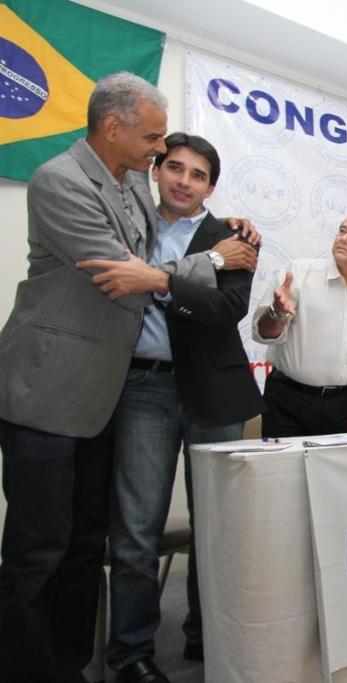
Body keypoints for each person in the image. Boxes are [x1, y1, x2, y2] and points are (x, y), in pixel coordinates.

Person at [0, 72, 226, 683]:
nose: (160, 152)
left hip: (101, 400)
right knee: (37, 551)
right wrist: (216, 260)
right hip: (47, 391)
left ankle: (70, 666)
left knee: (80, 549)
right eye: (154, 140)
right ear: (112, 127)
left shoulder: (127, 187)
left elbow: (151, 266)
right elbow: (121, 277)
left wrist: (222, 240)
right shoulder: (59, 180)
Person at [77, 133, 264, 678]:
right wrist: (195, 273)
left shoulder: (235, 234)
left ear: (211, 185)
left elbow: (225, 307)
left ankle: (208, 634)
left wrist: (158, 280)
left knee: (218, 527)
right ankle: (131, 654)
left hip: (215, 392)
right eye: (175, 167)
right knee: (136, 530)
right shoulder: (126, 223)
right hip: (143, 390)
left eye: (198, 174)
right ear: (155, 171)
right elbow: (117, 288)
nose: (184, 180)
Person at [254, 213, 347, 436]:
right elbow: (262, 334)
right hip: (289, 401)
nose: (344, 238)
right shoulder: (297, 274)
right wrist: (276, 313)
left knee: (342, 471)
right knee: (286, 471)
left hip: (346, 407)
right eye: (342, 230)